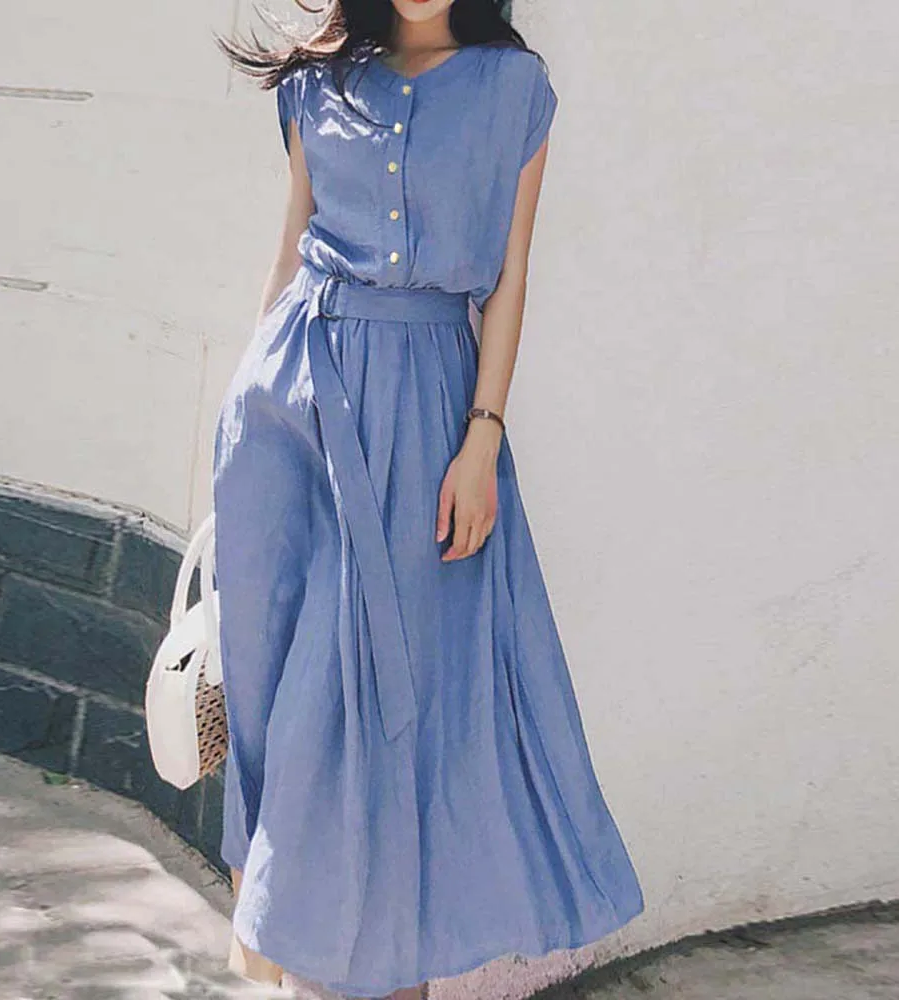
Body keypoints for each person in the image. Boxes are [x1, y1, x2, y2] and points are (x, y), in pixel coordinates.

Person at [211, 1, 645, 997]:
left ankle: (384, 968)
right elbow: (290, 254)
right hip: (290, 411)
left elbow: (509, 276)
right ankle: (298, 956)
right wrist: (238, 430)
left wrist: (481, 437)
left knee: (389, 695)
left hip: (426, 412)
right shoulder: (316, 85)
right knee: (286, 689)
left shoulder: (513, 88)